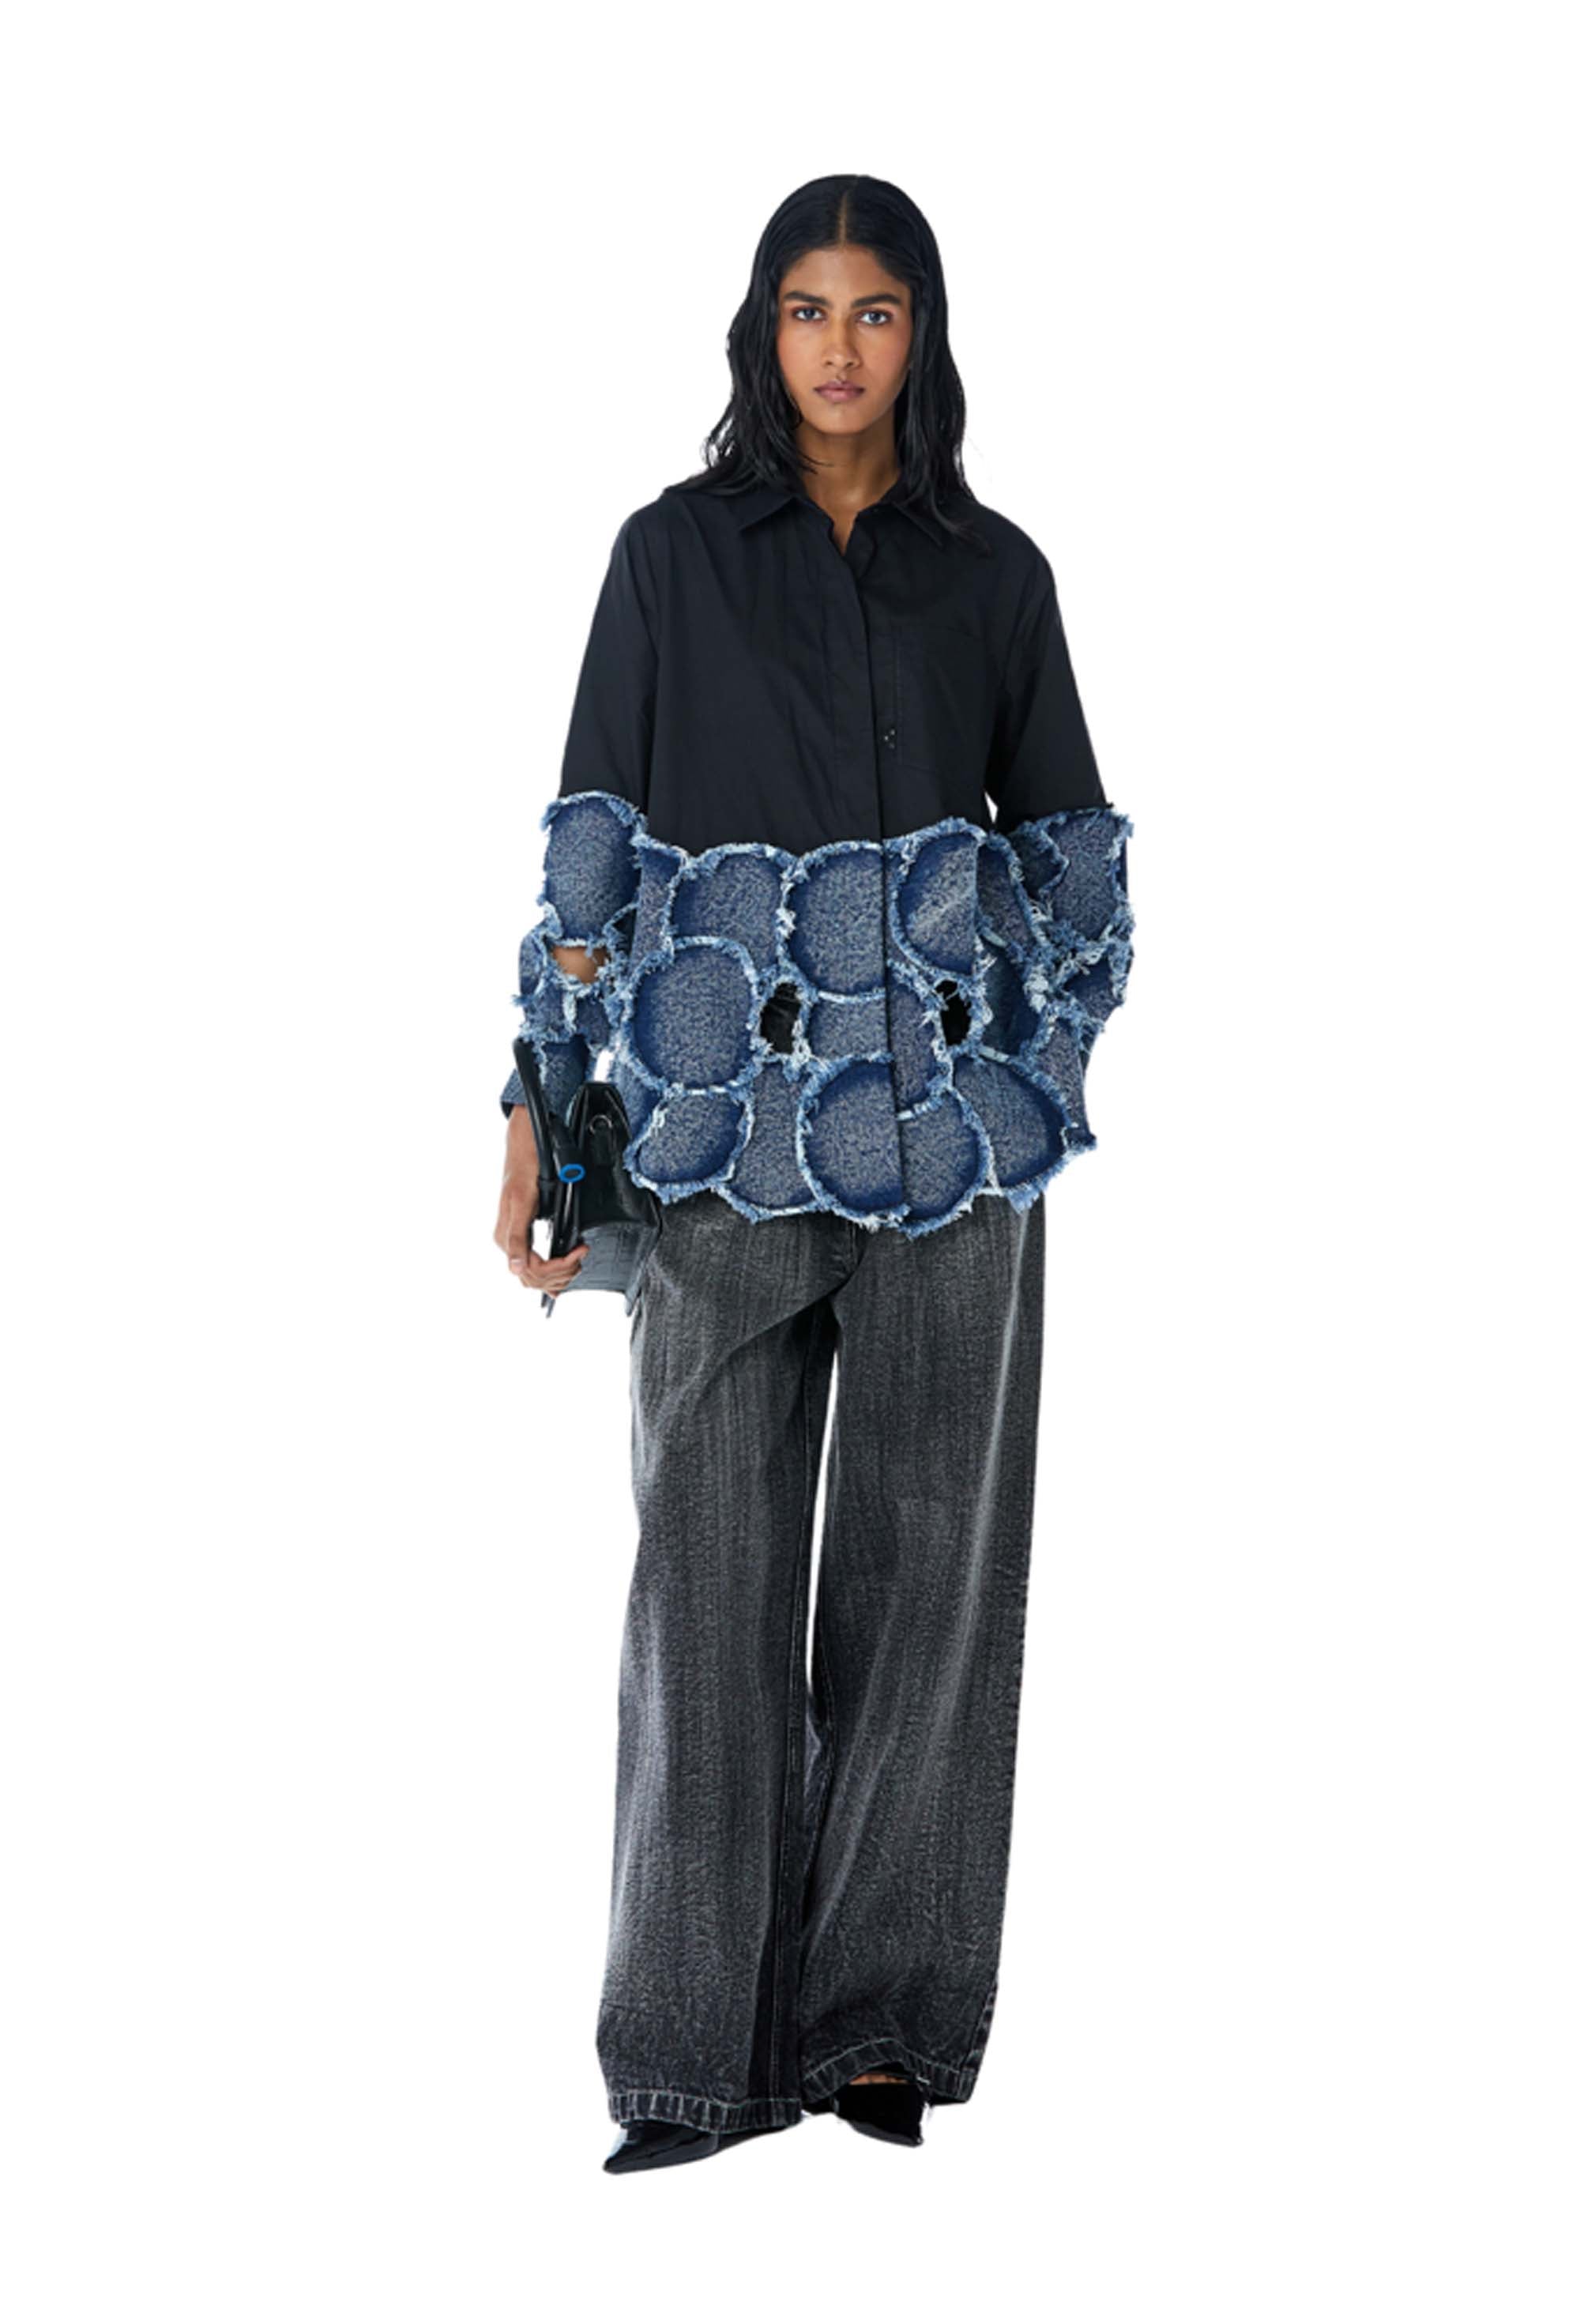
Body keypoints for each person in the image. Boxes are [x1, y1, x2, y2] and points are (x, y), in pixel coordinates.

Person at [492, 174, 1135, 2173]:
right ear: (757, 332)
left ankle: (881, 2033)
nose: (838, 348)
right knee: (701, 1588)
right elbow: (594, 854)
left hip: (955, 1167)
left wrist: (1028, 1063)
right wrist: (540, 1102)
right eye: (805, 309)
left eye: (873, 311)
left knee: (930, 1586)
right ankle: (687, 2058)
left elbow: (1073, 859)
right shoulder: (669, 559)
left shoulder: (996, 576)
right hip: (716, 1146)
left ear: (921, 333)